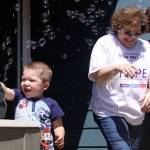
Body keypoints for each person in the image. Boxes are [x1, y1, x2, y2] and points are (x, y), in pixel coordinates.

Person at [88, 6, 150, 150]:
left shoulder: (146, 47)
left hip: (136, 112)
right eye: (128, 32)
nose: (131, 37)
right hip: (109, 110)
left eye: (137, 33)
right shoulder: (106, 43)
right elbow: (96, 76)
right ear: (118, 27)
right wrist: (117, 67)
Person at [0, 61, 65, 150]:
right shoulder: (19, 96)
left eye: (31, 80)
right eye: (23, 79)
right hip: (22, 142)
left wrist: (60, 135)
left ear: (45, 86)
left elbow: (58, 125)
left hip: (44, 145)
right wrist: (2, 87)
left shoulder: (51, 104)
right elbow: (7, 92)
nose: (26, 83)